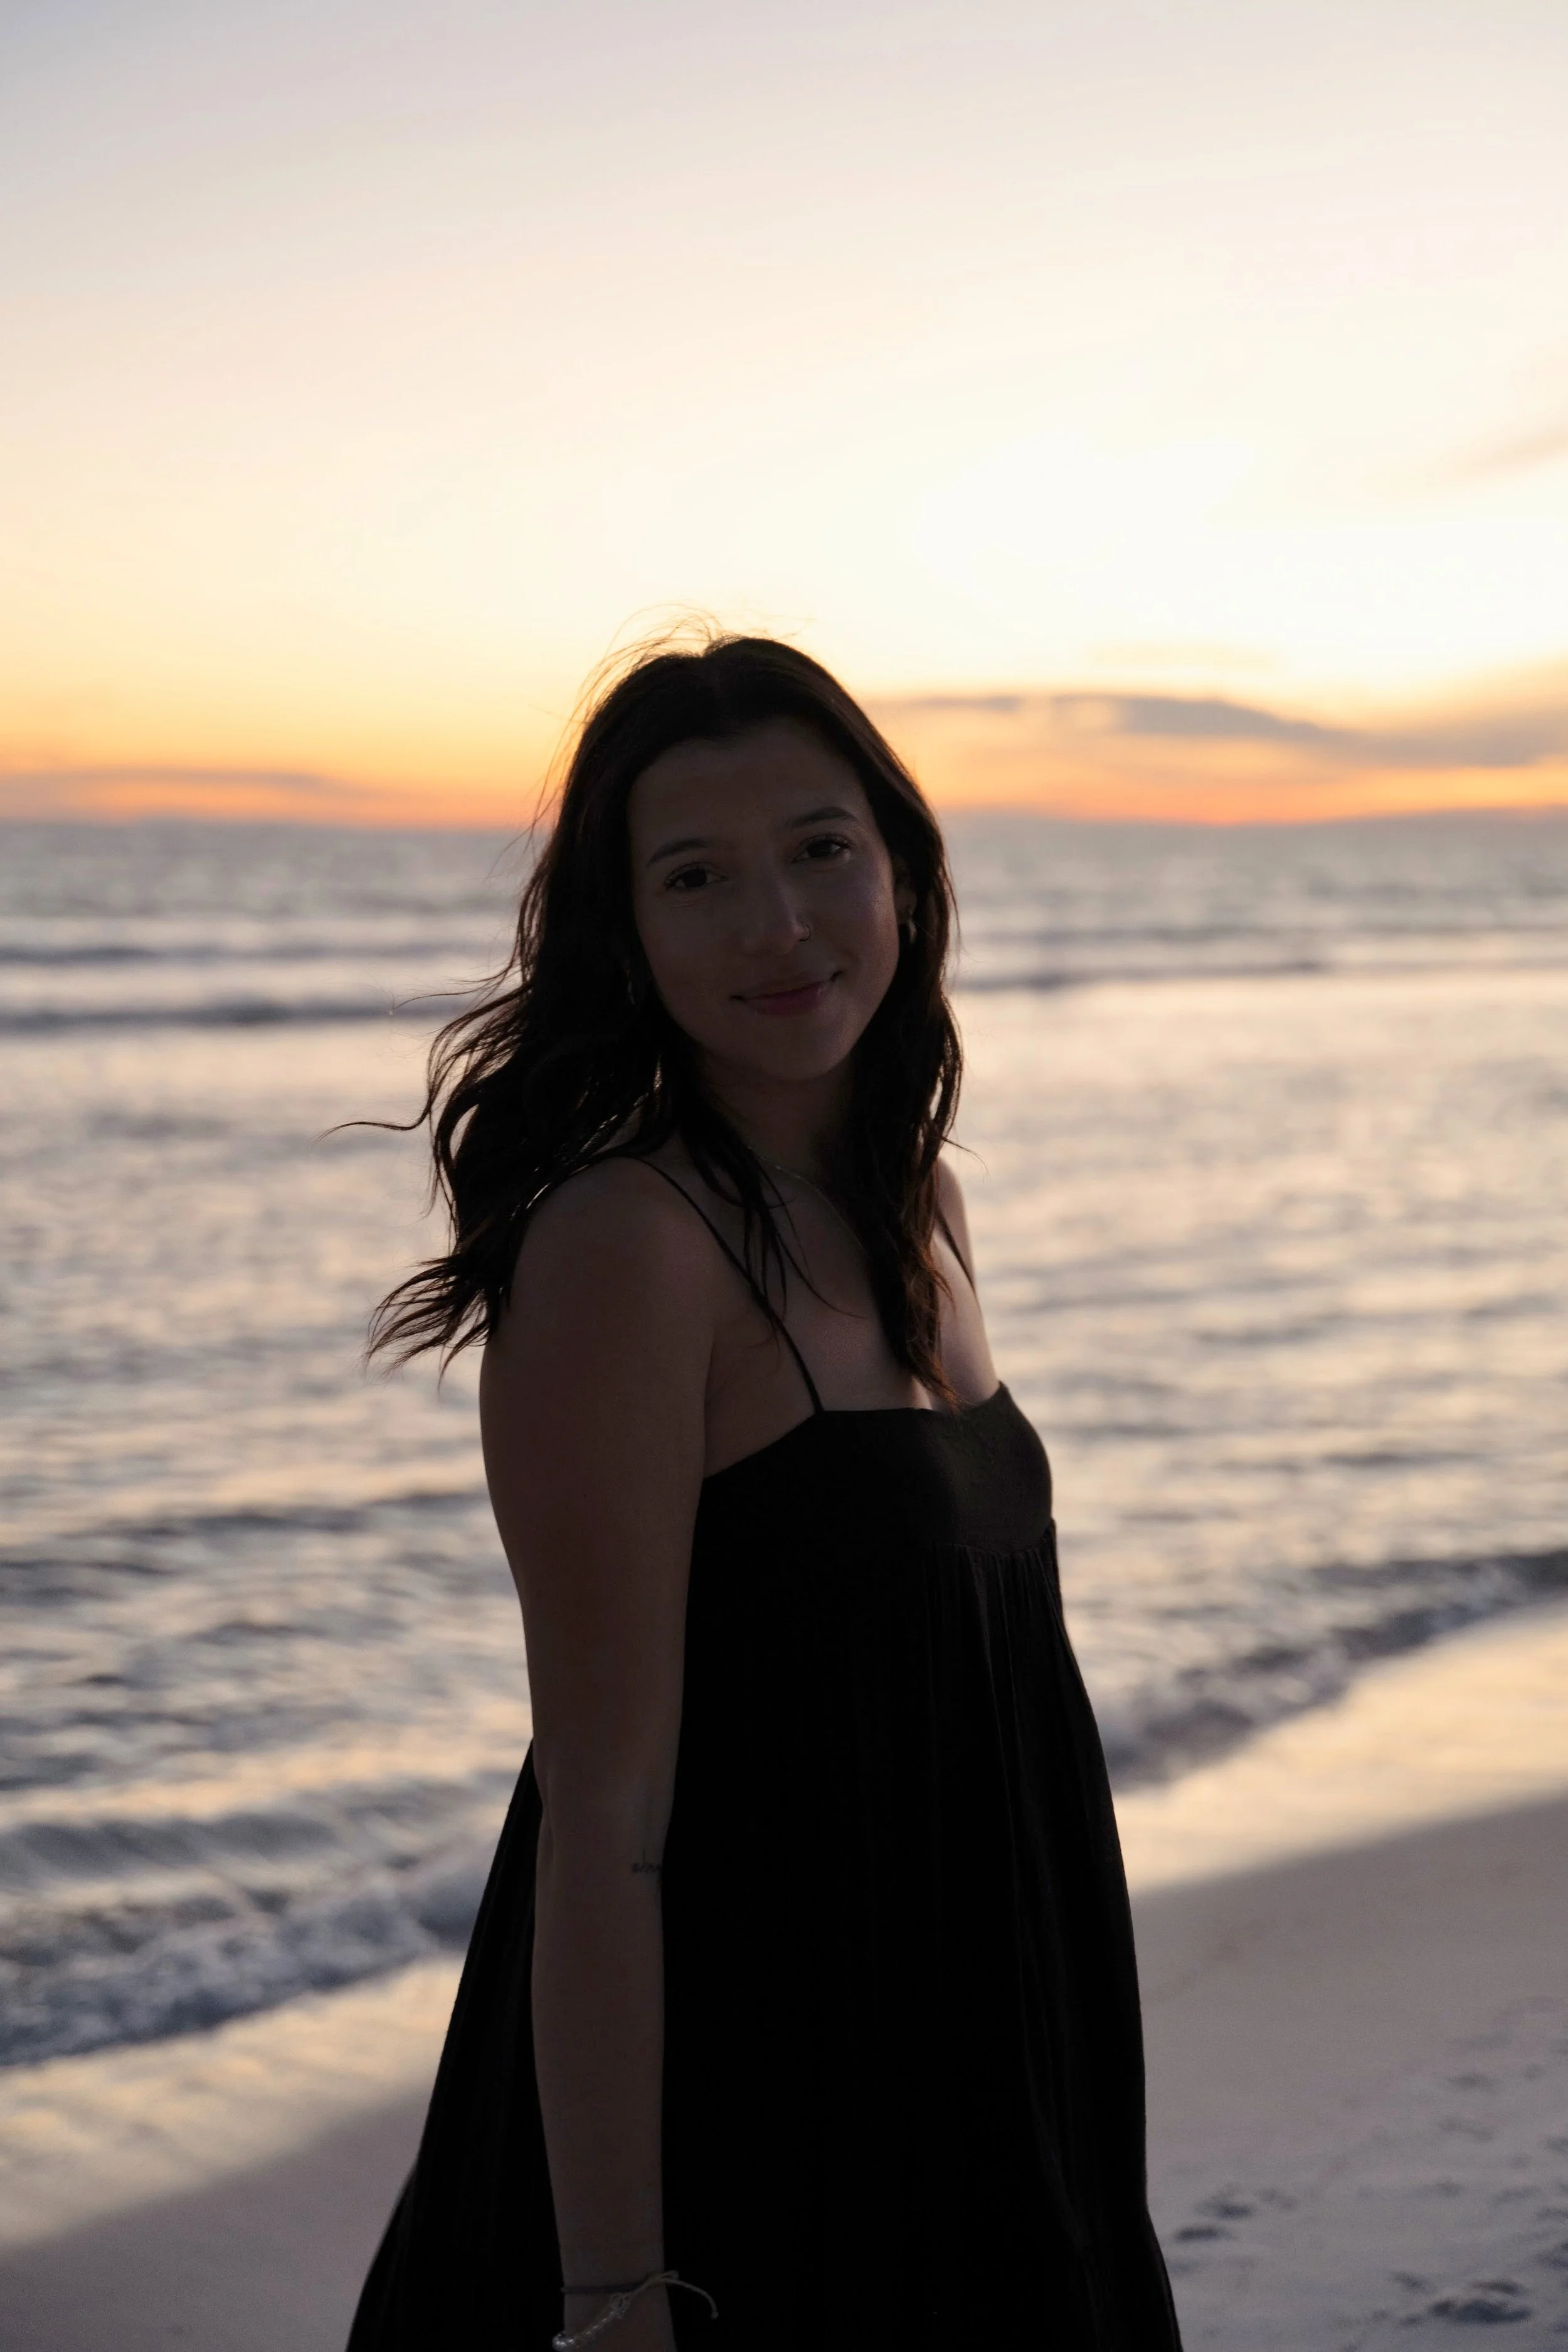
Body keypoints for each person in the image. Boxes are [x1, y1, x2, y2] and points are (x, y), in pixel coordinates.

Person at [347, 634, 1182, 2351]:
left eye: (818, 850)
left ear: (900, 863)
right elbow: (602, 1819)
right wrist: (611, 2293)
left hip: (979, 2038)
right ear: (626, 933)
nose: (778, 925)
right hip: (758, 2092)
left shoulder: (919, 1199)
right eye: (697, 877)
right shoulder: (626, 1247)